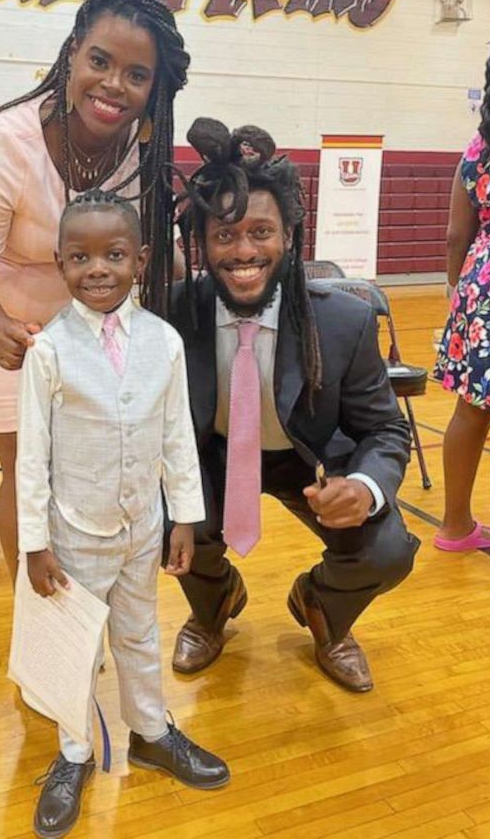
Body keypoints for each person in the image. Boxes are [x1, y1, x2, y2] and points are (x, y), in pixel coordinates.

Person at [0, 0, 189, 582]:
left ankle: (91, 594)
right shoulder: (5, 143)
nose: (113, 85)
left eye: (136, 74)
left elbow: (157, 258)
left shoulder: (143, 151)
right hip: (2, 320)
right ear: (73, 53)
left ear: (154, 87)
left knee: (92, 462)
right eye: (100, 61)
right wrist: (6, 332)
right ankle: (40, 615)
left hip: (94, 319)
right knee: (26, 466)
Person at [167, 118, 420, 692]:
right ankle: (213, 606)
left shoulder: (342, 319)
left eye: (261, 232)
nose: (243, 251)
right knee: (164, 515)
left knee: (387, 551)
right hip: (214, 455)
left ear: (289, 237)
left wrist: (365, 488)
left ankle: (323, 610)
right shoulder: (174, 312)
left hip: (308, 460)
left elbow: (384, 429)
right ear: (202, 244)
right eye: (224, 235)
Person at [19, 190, 229, 839]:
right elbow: (31, 457)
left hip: (143, 527)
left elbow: (174, 438)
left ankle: (150, 731)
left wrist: (184, 518)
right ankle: (75, 751)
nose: (98, 269)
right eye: (80, 257)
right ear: (60, 263)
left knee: (139, 634)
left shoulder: (162, 343)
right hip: (74, 533)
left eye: (114, 254)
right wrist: (34, 543)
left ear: (140, 259)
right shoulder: (48, 352)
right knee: (77, 647)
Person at [432, 21, 490, 591]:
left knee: (471, 410)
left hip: (480, 285)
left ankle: (456, 524)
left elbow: (455, 234)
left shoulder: (482, 142)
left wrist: (456, 291)